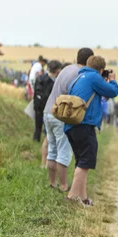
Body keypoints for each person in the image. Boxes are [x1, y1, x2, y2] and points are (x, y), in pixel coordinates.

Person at [65, 56, 118, 206]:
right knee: (85, 162)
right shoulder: (94, 77)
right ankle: (71, 199)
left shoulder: (79, 77)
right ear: (101, 69)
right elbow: (113, 92)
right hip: (85, 124)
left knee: (81, 162)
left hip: (72, 125)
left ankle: (83, 199)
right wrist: (112, 79)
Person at [44, 48, 95, 193]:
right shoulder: (79, 74)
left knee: (52, 150)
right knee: (63, 151)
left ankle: (52, 183)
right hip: (61, 115)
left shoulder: (67, 68)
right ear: (89, 60)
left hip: (48, 111)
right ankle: (64, 186)